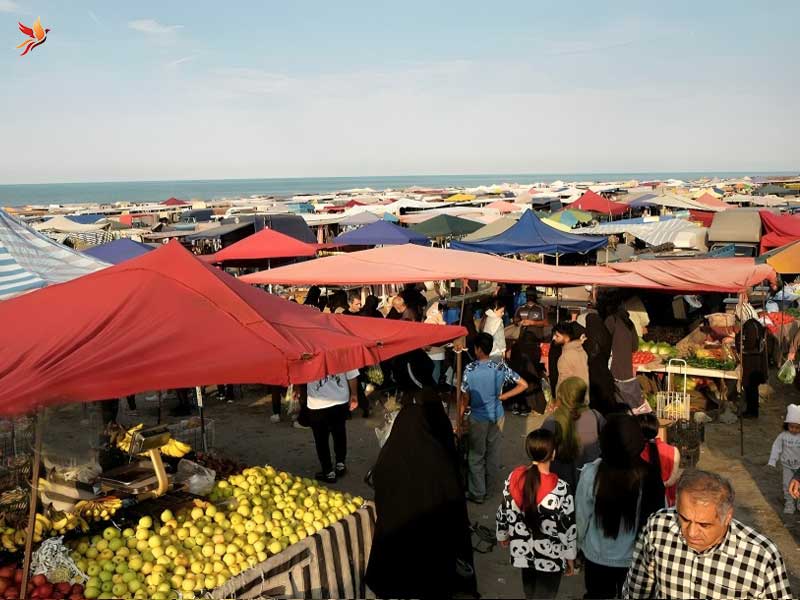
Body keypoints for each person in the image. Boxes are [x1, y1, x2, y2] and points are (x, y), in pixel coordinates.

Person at [366, 393, 473, 599]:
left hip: (394, 541)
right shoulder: (439, 461)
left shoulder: (387, 458)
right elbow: (454, 502)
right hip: (430, 548)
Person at [623, 470, 793, 600]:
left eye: (704, 525)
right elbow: (635, 589)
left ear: (727, 517)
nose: (691, 532)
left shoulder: (762, 557)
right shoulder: (658, 527)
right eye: (684, 518)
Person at [576, 414, 664, 599]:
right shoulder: (650, 476)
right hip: (636, 559)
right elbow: (658, 520)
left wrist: (579, 545)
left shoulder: (591, 473)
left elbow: (582, 517)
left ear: (604, 441)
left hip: (596, 556)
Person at [496, 429, 576, 599]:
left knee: (529, 593)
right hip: (551, 557)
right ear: (553, 454)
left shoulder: (514, 478)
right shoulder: (561, 488)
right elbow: (568, 527)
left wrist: (502, 534)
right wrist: (570, 557)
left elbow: (504, 509)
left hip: (523, 553)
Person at [461, 332, 528, 503]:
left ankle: (478, 492)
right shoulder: (500, 367)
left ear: (477, 349)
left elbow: (465, 398)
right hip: (497, 415)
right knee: (493, 453)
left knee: (476, 455)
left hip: (478, 417)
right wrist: (504, 397)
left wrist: (460, 418)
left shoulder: (470, 369)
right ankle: (489, 489)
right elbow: (523, 384)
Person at [542, 377, 605, 490]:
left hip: (560, 485)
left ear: (561, 395)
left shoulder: (552, 421)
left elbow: (541, 452)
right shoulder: (595, 415)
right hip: (589, 480)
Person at [304, 370, 359, 483]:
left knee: (321, 439)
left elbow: (300, 373)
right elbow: (352, 374)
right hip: (339, 399)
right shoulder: (342, 352)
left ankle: (328, 471)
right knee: (339, 433)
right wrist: (354, 394)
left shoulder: (306, 352)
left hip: (317, 402)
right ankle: (340, 464)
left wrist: (296, 388)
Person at [599, 292, 641, 410]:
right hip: (626, 368)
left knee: (615, 401)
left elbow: (604, 343)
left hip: (614, 368)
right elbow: (635, 347)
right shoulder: (629, 322)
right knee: (626, 402)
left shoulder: (611, 320)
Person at [639, 412, 681, 507]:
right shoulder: (674, 451)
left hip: (640, 499)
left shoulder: (635, 451)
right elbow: (672, 481)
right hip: (663, 499)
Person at [768, 403, 800, 514]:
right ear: (787, 425)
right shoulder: (783, 436)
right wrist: (772, 460)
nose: (794, 429)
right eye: (791, 427)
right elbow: (776, 447)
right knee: (787, 485)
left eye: (797, 427)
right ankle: (789, 504)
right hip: (787, 466)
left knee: (798, 485)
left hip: (799, 467)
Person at [583, 309, 615, 415]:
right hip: (605, 372)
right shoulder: (605, 333)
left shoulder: (590, 338)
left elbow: (590, 354)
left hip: (594, 374)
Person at [508, 329, 545, 416]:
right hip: (530, 374)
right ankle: (527, 407)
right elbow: (537, 361)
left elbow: (512, 359)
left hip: (517, 373)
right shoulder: (536, 347)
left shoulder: (516, 346)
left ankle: (516, 406)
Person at [738, 317, 767, 418]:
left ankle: (752, 412)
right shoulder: (754, 325)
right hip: (755, 361)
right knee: (752, 387)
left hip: (752, 362)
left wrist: (741, 346)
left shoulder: (750, 327)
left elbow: (749, 343)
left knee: (751, 387)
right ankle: (752, 409)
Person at [552, 321, 589, 392]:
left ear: (567, 337)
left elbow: (563, 382)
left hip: (570, 399)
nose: (554, 338)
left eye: (557, 336)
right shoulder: (579, 349)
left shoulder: (567, 355)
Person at [424, 302, 447, 385]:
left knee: (432, 370)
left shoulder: (428, 319)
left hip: (429, 350)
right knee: (436, 371)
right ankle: (434, 388)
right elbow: (442, 332)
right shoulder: (435, 320)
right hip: (435, 350)